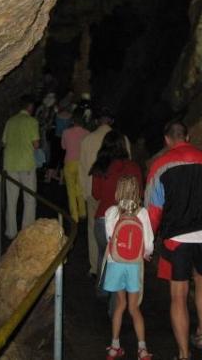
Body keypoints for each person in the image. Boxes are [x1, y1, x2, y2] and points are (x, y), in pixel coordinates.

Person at [144, 121, 202, 360]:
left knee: (178, 293)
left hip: (177, 235)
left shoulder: (160, 165)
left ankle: (183, 354)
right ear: (188, 137)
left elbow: (153, 208)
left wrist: (148, 240)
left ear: (166, 140)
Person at [103, 176, 154, 360]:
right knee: (134, 307)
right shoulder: (142, 213)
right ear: (138, 192)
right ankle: (142, 349)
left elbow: (110, 237)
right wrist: (146, 252)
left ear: (118, 192)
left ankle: (114, 347)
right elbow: (149, 243)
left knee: (120, 305)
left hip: (115, 263)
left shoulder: (110, 212)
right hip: (134, 264)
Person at [79, 107, 131, 278]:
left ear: (97, 120)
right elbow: (127, 165)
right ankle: (116, 264)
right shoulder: (123, 139)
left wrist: (85, 192)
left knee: (94, 231)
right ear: (112, 121)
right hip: (118, 193)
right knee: (117, 230)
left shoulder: (87, 140)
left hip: (94, 192)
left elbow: (82, 169)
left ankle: (96, 267)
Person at [90, 130, 142, 290]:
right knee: (122, 259)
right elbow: (139, 192)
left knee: (103, 256)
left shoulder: (100, 167)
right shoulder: (133, 167)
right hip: (125, 219)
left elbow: (96, 194)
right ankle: (119, 297)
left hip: (103, 219)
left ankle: (102, 291)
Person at [2, 95, 40, 239]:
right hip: (26, 164)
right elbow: (36, 144)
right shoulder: (32, 121)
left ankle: (10, 232)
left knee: (11, 200)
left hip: (10, 164)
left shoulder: (10, 121)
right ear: (30, 107)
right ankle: (26, 232)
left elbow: (4, 143)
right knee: (29, 199)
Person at [61, 107, 90, 222]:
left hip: (69, 163)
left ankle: (74, 215)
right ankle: (83, 212)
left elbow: (63, 147)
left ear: (73, 120)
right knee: (80, 188)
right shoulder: (87, 133)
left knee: (71, 190)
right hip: (81, 163)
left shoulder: (66, 132)